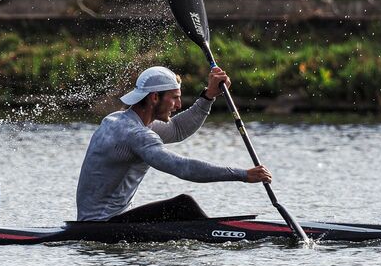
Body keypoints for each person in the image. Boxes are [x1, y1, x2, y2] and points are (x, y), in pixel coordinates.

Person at [76, 66, 272, 222]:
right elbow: (183, 168)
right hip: (103, 225)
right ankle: (220, 234)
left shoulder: (118, 120)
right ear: (154, 97)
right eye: (175, 98)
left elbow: (178, 129)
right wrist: (243, 175)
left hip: (100, 221)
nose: (178, 105)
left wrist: (209, 95)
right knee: (183, 205)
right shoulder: (135, 134)